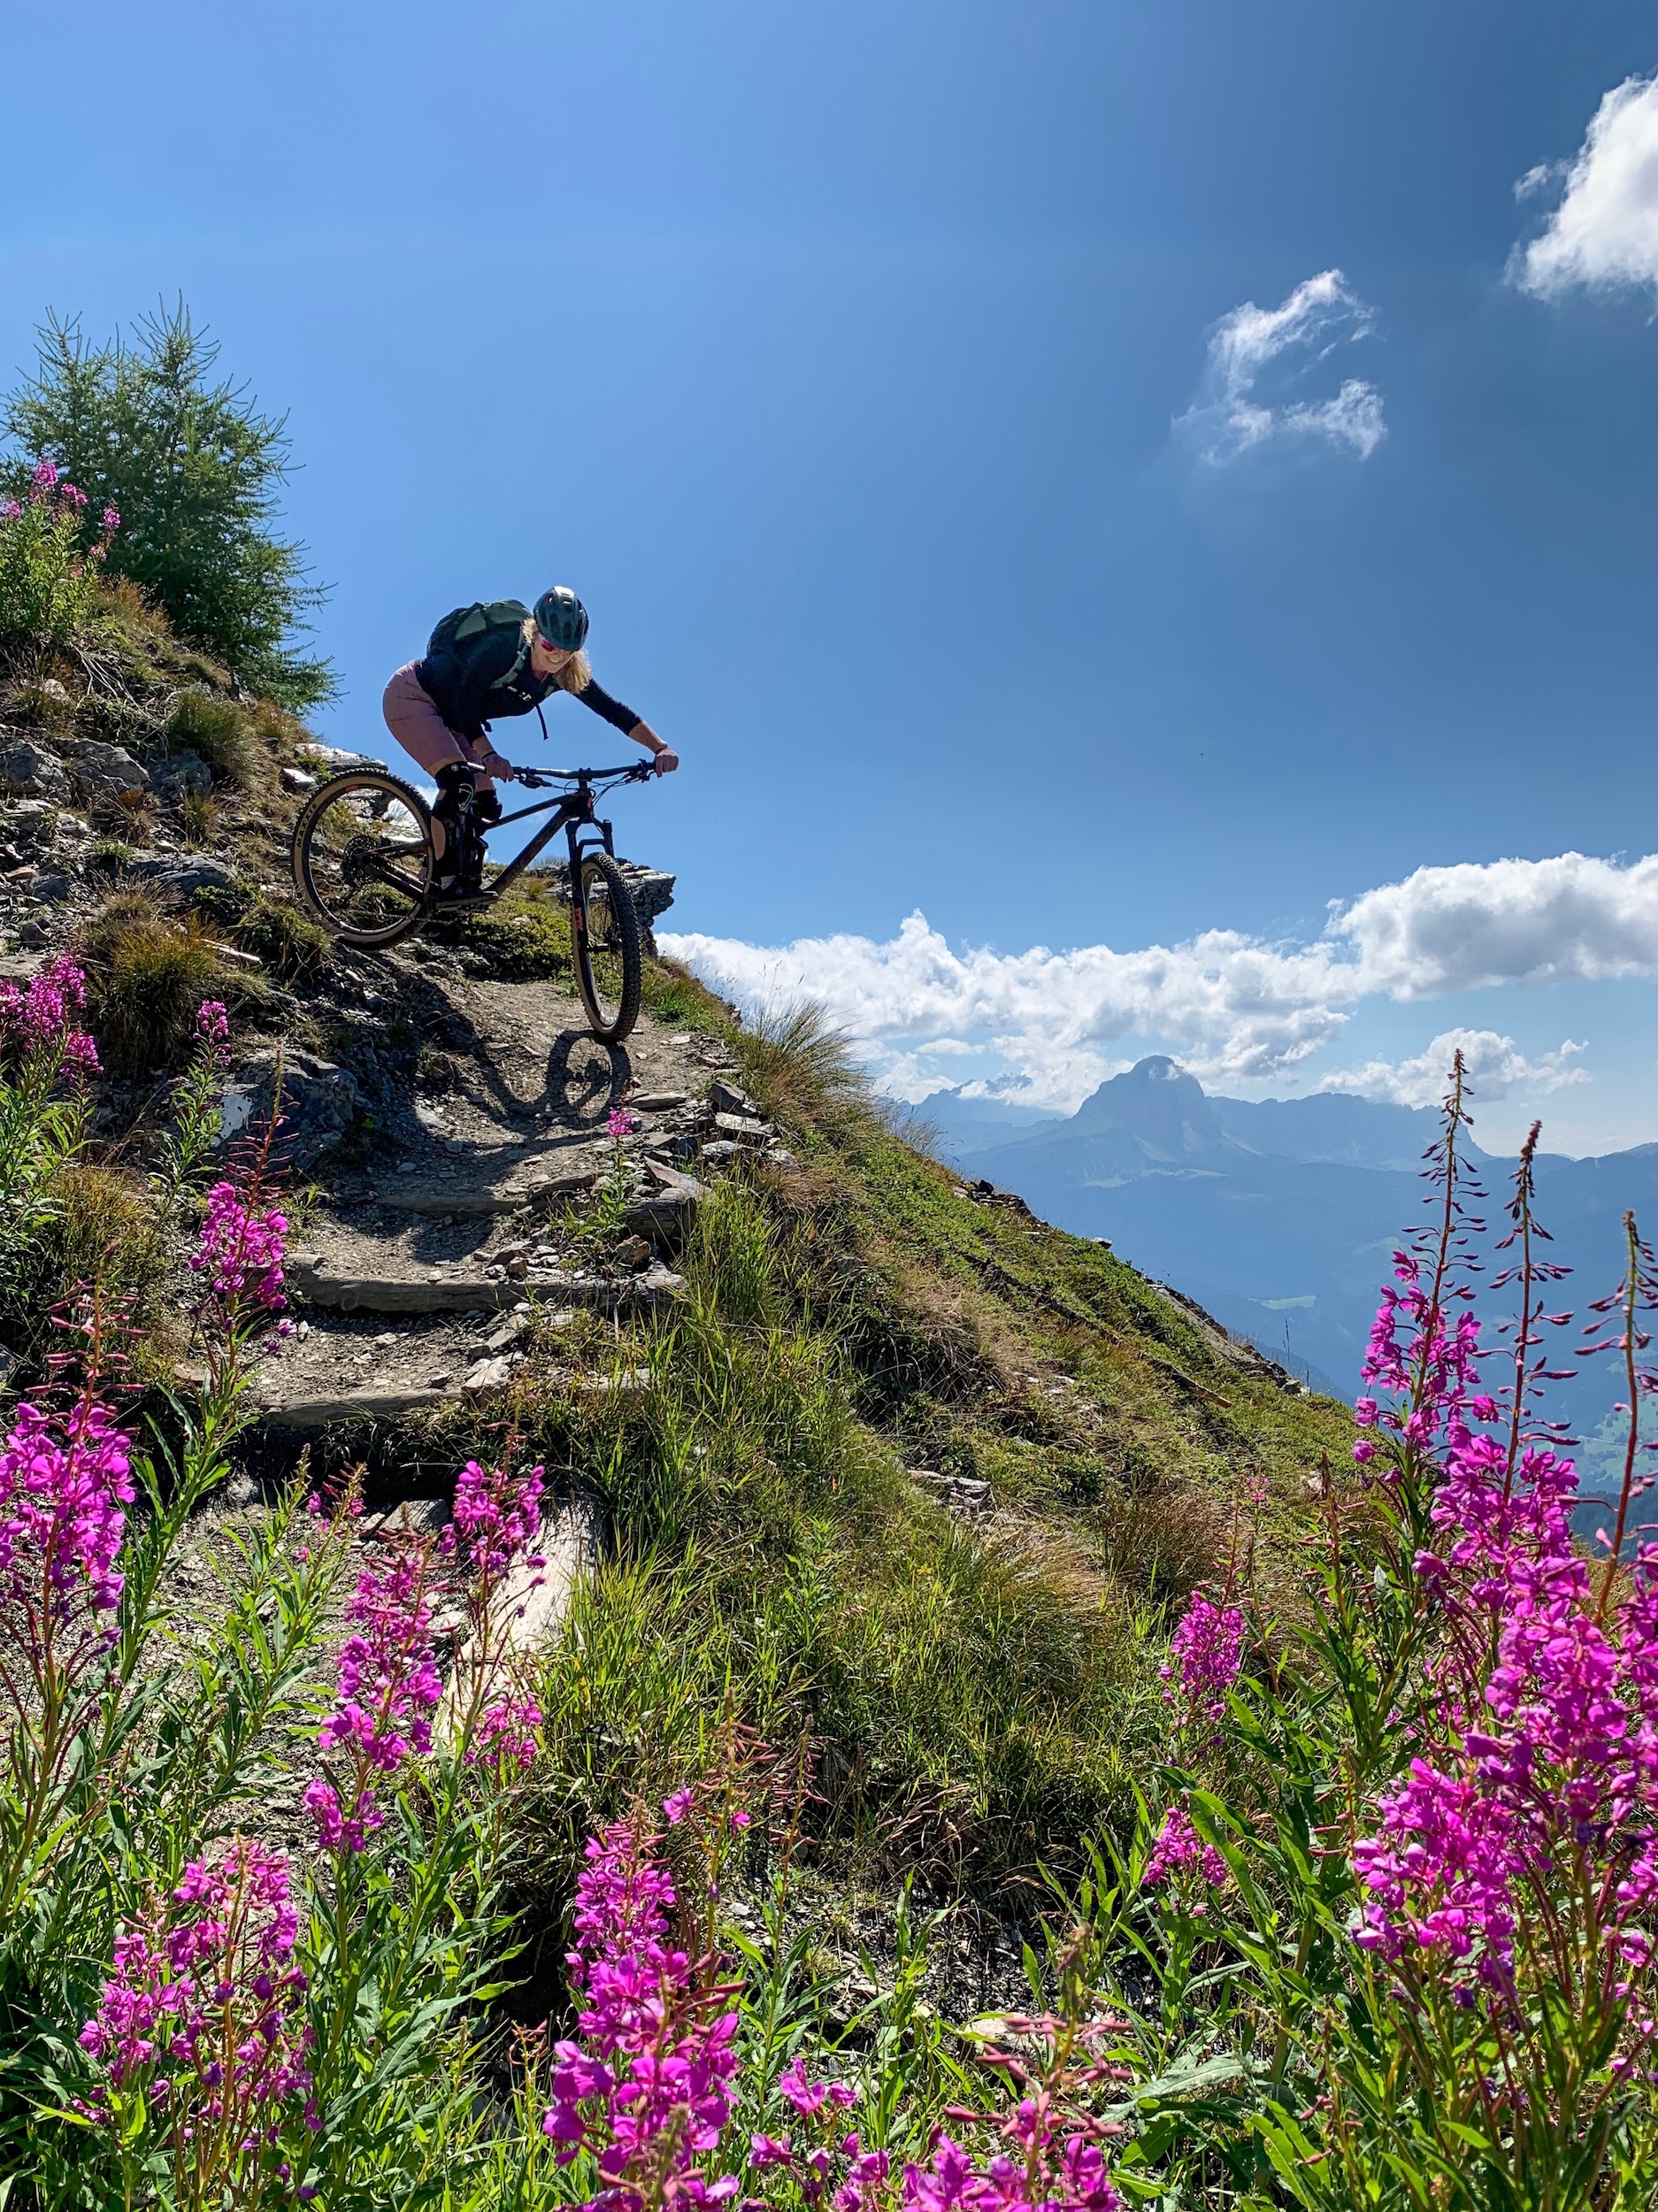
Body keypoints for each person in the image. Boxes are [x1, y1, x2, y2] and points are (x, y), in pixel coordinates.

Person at [381, 587, 679, 889]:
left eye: (567, 651)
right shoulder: (503, 647)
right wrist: (489, 755)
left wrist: (660, 748)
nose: (557, 656)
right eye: (550, 645)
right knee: (458, 784)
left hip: (455, 721)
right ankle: (443, 882)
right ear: (534, 632)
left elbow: (612, 710)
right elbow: (464, 703)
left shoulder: (566, 673)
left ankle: (448, 873)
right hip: (414, 697)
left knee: (486, 805)